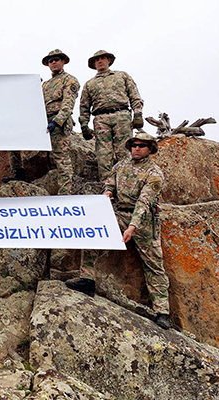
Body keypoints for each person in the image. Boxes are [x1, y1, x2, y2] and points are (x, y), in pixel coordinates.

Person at [66, 131, 171, 330]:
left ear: (150, 149)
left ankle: (162, 312)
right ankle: (87, 280)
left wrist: (132, 227)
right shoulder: (122, 165)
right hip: (119, 213)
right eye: (134, 145)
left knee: (154, 264)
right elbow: (110, 182)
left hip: (144, 222)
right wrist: (108, 192)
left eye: (141, 145)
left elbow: (145, 202)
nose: (136, 148)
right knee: (92, 235)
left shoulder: (154, 173)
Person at [79, 50, 144, 180]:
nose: (100, 61)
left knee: (124, 151)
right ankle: (107, 185)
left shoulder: (122, 76)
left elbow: (135, 96)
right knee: (103, 154)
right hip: (100, 119)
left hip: (122, 116)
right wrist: (84, 125)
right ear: (94, 64)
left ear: (109, 60)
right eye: (97, 60)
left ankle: (126, 183)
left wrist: (138, 114)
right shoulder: (89, 84)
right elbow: (84, 106)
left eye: (103, 58)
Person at [41, 49, 80, 194]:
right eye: (50, 61)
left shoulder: (69, 80)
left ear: (63, 61)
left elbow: (68, 104)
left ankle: (65, 193)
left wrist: (57, 121)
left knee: (61, 158)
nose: (53, 62)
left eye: (56, 59)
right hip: (44, 121)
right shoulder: (45, 84)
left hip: (58, 123)